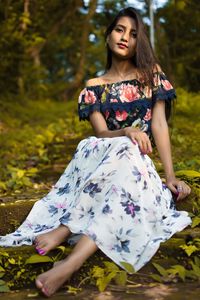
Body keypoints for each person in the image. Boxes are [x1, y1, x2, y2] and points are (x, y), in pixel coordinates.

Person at [0, 7, 191, 297]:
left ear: (141, 42)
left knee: (129, 162)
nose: (125, 37)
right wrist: (127, 131)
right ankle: (68, 231)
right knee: (120, 145)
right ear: (107, 35)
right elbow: (101, 133)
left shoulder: (153, 77)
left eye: (134, 34)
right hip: (100, 158)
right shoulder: (93, 87)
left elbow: (161, 126)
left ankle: (70, 256)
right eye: (119, 29)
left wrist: (170, 176)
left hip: (135, 169)